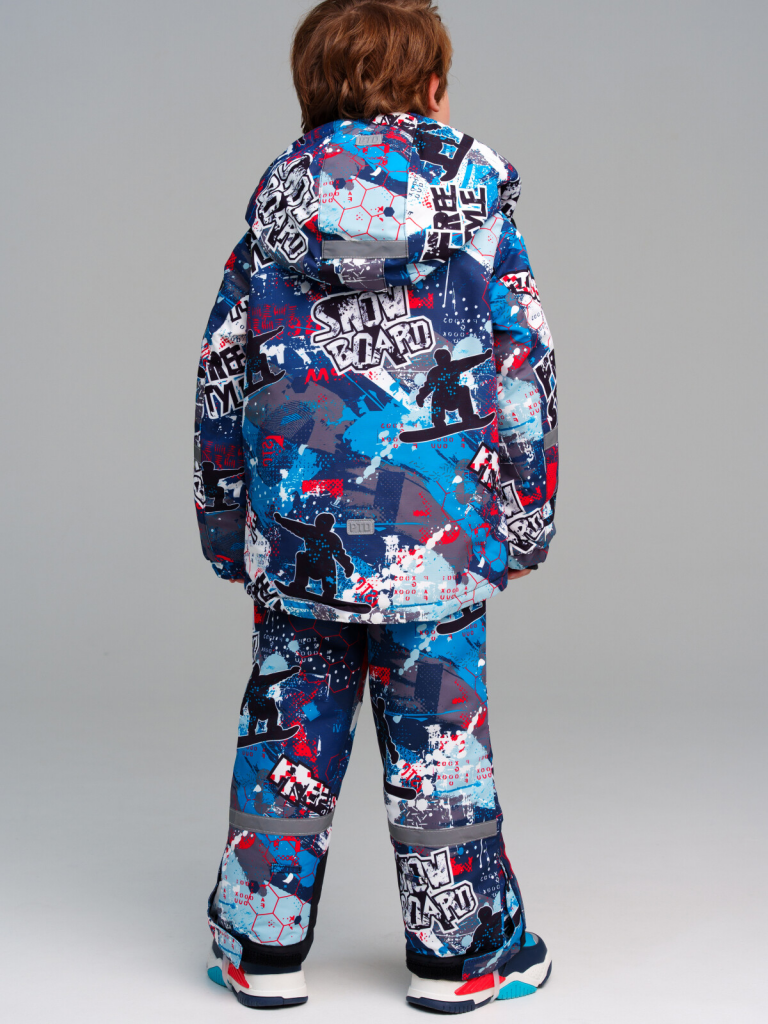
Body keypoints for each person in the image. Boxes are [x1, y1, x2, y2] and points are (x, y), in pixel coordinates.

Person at [194, 0, 559, 1012]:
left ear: (310, 93)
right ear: (433, 90)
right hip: (438, 542)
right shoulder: (481, 221)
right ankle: (462, 957)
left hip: (300, 542)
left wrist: (228, 529)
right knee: (442, 743)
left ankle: (262, 948)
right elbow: (524, 375)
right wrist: (525, 518)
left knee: (288, 736)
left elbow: (221, 378)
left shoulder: (271, 227)